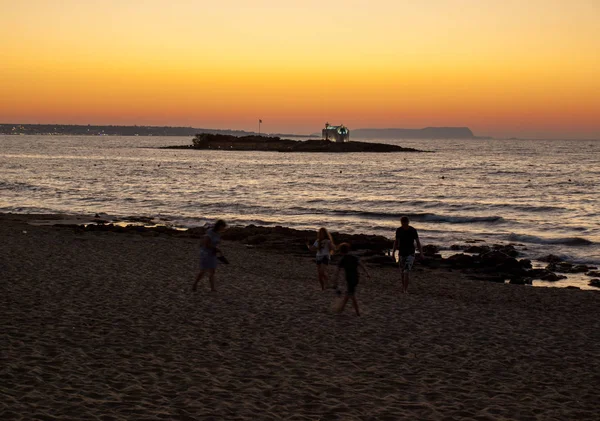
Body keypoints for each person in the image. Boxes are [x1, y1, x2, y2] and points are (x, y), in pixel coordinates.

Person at [334, 243, 370, 316]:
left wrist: (335, 281)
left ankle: (357, 312)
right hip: (356, 278)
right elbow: (361, 265)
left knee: (351, 295)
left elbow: (337, 271)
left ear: (341, 251)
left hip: (350, 278)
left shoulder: (342, 259)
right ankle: (340, 310)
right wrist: (367, 273)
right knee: (349, 294)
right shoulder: (354, 257)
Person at [192, 219, 227, 292]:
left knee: (212, 271)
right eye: (223, 227)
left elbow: (216, 242)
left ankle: (212, 288)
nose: (224, 229)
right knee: (203, 270)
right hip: (206, 253)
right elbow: (206, 244)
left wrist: (216, 249)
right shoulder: (210, 232)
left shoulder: (218, 233)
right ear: (219, 226)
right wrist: (215, 248)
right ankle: (195, 284)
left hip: (212, 253)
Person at [392, 216, 423, 294]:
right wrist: (393, 252)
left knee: (406, 271)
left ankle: (405, 289)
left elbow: (418, 242)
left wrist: (421, 253)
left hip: (410, 253)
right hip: (401, 253)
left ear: (408, 222)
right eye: (403, 223)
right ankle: (403, 288)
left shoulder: (413, 230)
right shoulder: (399, 230)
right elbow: (396, 242)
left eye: (405, 223)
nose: (404, 225)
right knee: (402, 272)